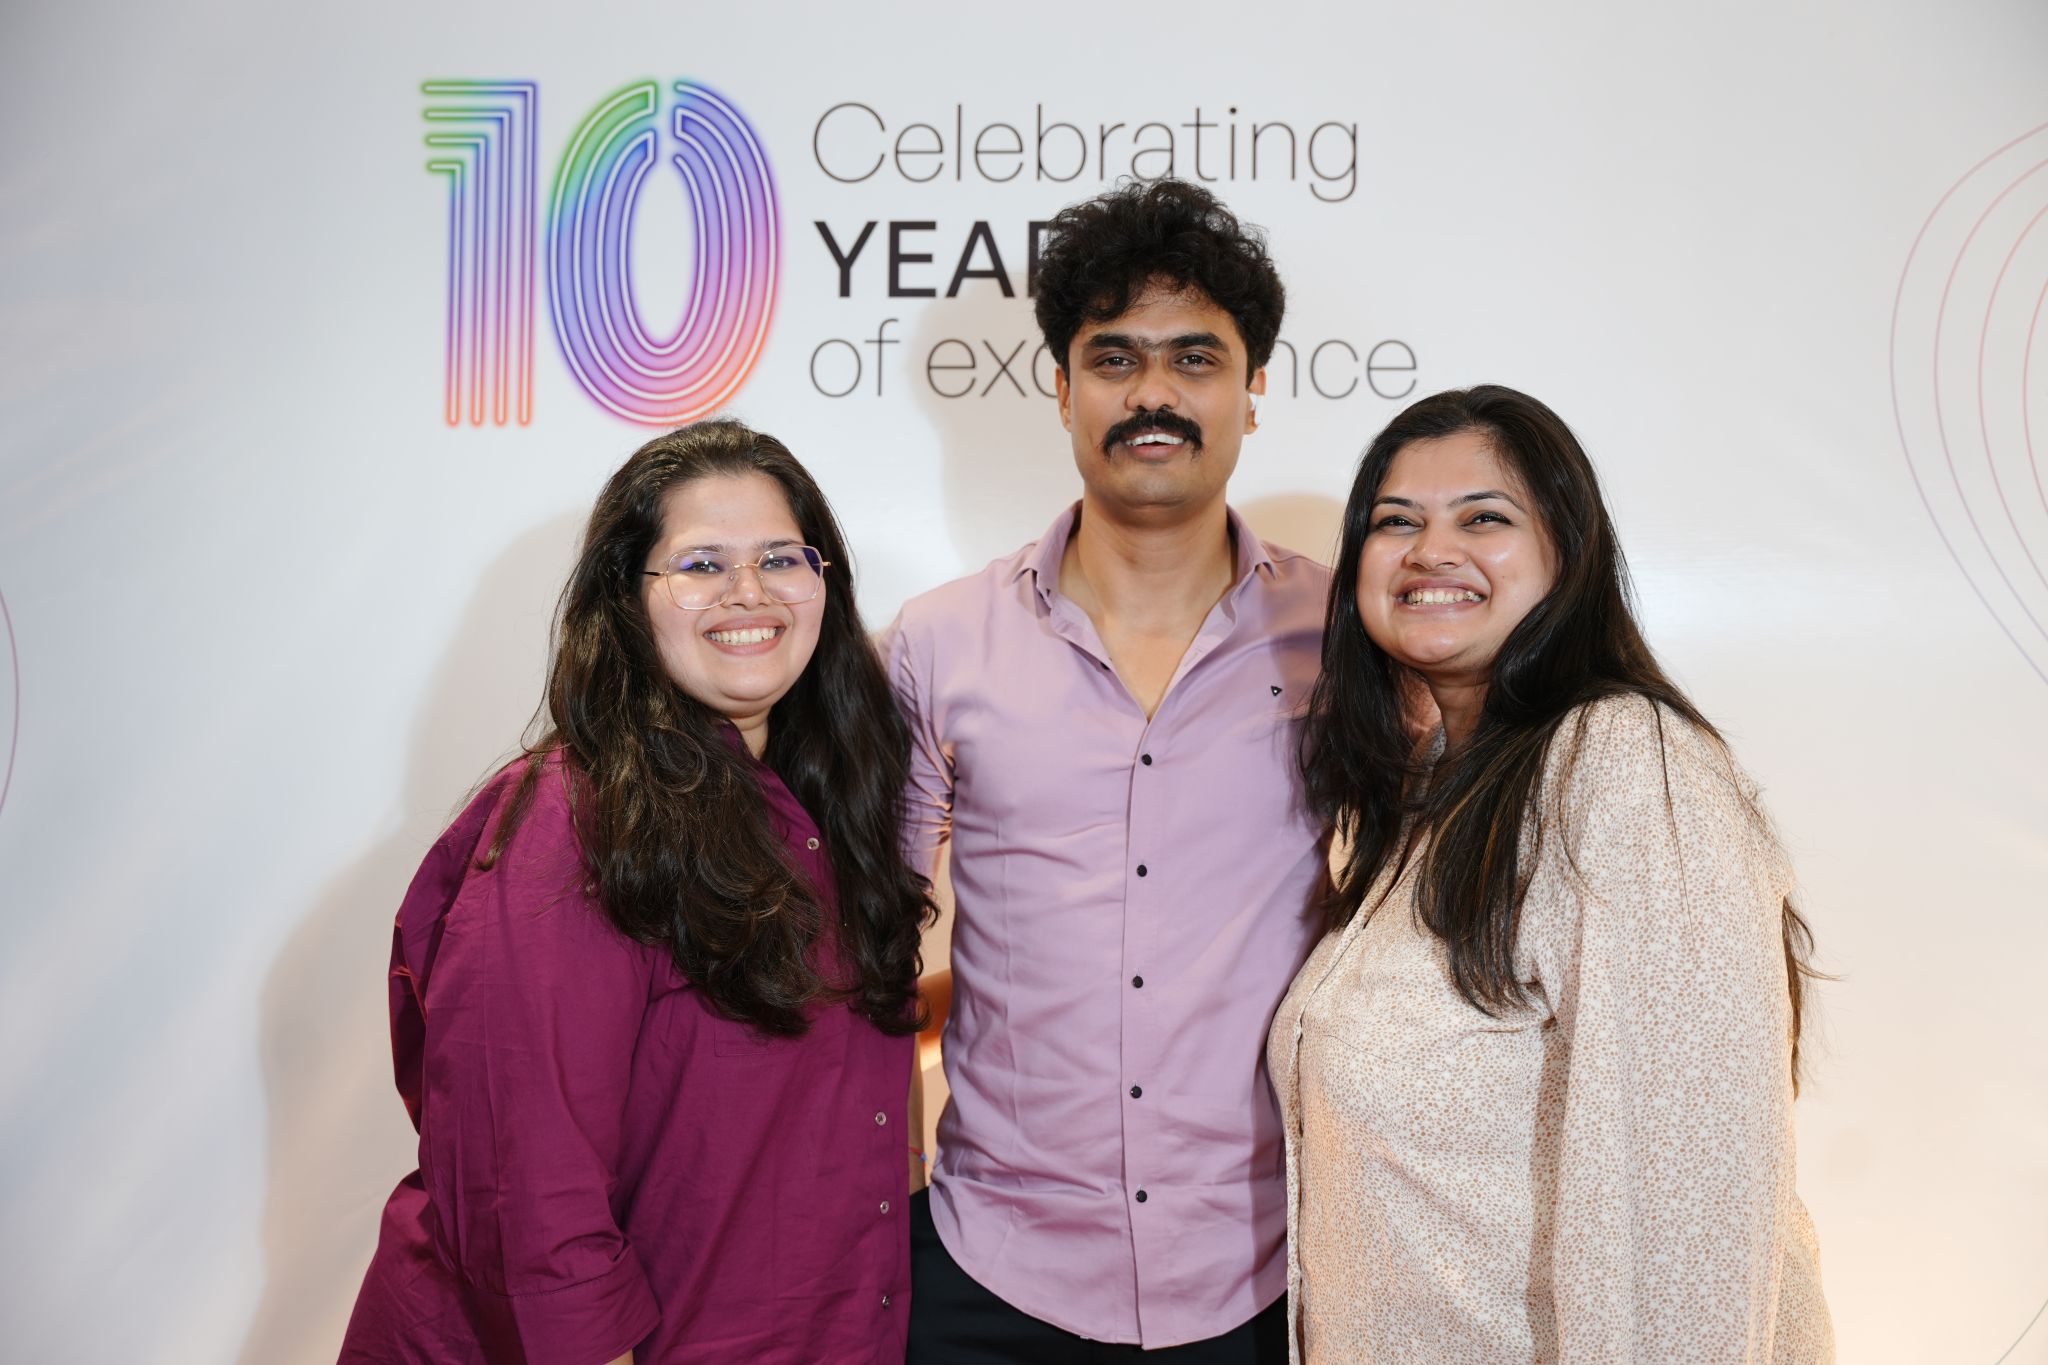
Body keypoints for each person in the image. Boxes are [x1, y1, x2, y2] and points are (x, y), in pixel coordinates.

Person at [339, 419, 930, 1364]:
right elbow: (522, 1170)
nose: (749, 591)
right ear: (626, 597)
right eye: (701, 564)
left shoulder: (826, 804)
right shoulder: (573, 819)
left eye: (781, 557)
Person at [1270, 385, 1834, 1363]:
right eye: (1395, 522)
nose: (1430, 550)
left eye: (1483, 518)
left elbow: (1683, 1212)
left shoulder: (1625, 767)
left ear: (1567, 555)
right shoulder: (1425, 793)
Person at [887, 178, 1327, 1363]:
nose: (1151, 395)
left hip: (1263, 1277)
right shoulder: (937, 642)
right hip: (986, 1270)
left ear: (1252, 389)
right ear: (1061, 387)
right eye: (1114, 358)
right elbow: (865, 943)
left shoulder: (1343, 642)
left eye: (1194, 359)